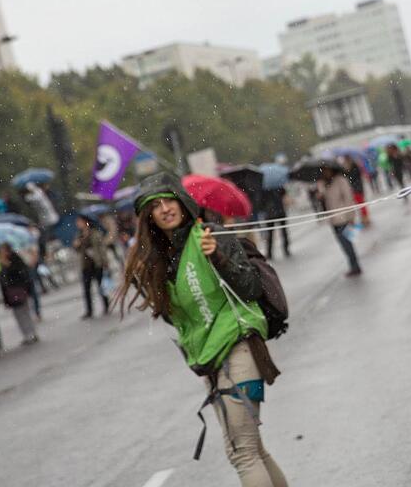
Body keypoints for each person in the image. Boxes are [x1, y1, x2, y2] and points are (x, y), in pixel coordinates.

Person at [118, 173, 288, 487]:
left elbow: (250, 289)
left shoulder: (211, 235)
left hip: (240, 347)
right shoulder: (162, 261)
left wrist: (218, 257)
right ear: (149, 218)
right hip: (209, 359)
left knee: (243, 452)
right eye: (155, 206)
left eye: (169, 200)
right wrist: (149, 286)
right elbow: (177, 319)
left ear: (182, 203)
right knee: (252, 449)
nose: (165, 208)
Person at [317, 165, 362, 276]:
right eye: (323, 170)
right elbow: (325, 199)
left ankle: (355, 266)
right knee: (343, 244)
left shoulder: (341, 180)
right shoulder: (325, 183)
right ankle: (353, 265)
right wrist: (320, 191)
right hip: (333, 219)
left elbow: (348, 198)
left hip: (344, 218)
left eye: (326, 170)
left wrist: (351, 217)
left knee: (347, 243)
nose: (325, 172)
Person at [0, 244, 39, 345]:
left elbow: (20, 272)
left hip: (19, 289)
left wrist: (8, 265)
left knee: (24, 312)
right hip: (10, 291)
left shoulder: (14, 259)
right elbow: (1, 277)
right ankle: (26, 334)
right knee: (18, 314)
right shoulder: (1, 262)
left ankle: (31, 333)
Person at [73, 216, 110, 319]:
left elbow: (101, 248)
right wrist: (76, 244)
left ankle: (106, 306)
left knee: (101, 287)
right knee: (86, 289)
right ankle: (89, 311)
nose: (78, 224)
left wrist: (105, 262)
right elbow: (76, 249)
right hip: (86, 265)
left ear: (85, 222)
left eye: (79, 221)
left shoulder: (95, 233)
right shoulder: (78, 235)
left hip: (96, 263)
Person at [259, 186, 290, 260]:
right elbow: (283, 194)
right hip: (278, 210)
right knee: (283, 231)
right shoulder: (277, 184)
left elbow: (261, 201)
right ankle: (285, 249)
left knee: (271, 233)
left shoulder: (263, 186)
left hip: (270, 212)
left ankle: (270, 252)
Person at [341, 156, 370, 227]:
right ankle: (359, 219)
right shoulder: (346, 168)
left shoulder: (354, 166)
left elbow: (355, 177)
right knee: (355, 205)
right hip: (352, 189)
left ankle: (365, 218)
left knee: (361, 204)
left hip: (357, 189)